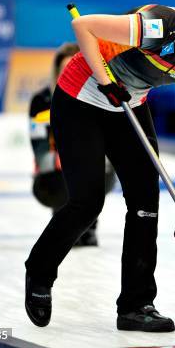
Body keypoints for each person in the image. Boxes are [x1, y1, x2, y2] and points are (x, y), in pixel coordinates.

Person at [24, 0, 175, 332]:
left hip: (128, 104)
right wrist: (105, 80)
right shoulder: (163, 25)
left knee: (146, 202)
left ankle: (136, 305)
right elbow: (82, 26)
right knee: (87, 202)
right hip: (81, 98)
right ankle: (39, 272)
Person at [29, 42, 116, 247]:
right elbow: (38, 143)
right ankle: (64, 224)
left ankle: (89, 226)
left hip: (96, 166)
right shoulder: (42, 100)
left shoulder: (100, 95)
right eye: (63, 71)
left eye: (73, 69)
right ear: (56, 72)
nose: (68, 74)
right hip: (56, 171)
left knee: (89, 167)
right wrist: (56, 159)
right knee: (63, 168)